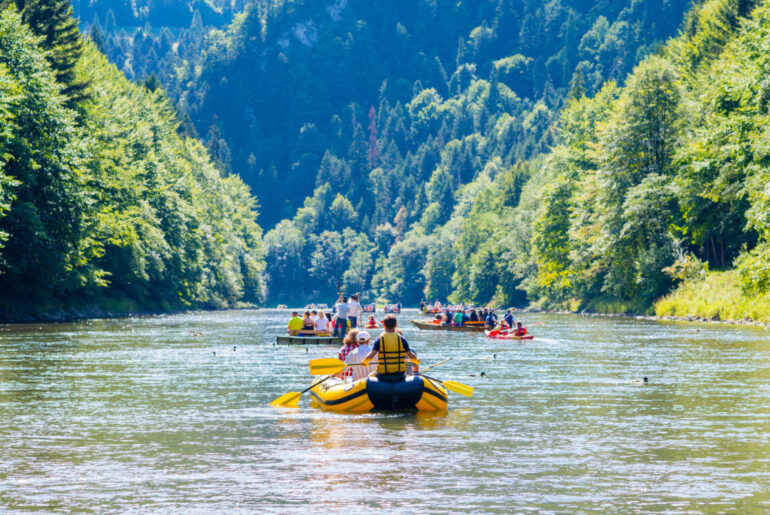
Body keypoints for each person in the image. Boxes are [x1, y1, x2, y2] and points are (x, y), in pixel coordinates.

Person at [363, 315, 417, 379]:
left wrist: (365, 362)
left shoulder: (379, 339)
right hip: (400, 374)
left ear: (384, 325)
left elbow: (370, 356)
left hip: (383, 375)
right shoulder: (402, 339)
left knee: (370, 376)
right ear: (396, 325)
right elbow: (411, 356)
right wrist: (416, 361)